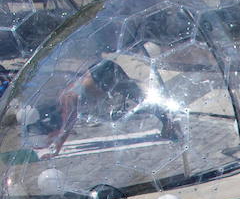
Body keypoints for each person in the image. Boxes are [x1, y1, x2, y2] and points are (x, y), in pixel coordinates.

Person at [44, 58, 179, 156]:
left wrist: (55, 151)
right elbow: (65, 126)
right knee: (137, 97)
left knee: (139, 98)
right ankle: (168, 121)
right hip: (100, 71)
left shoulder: (67, 100)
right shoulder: (64, 98)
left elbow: (67, 126)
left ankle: (169, 122)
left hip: (102, 75)